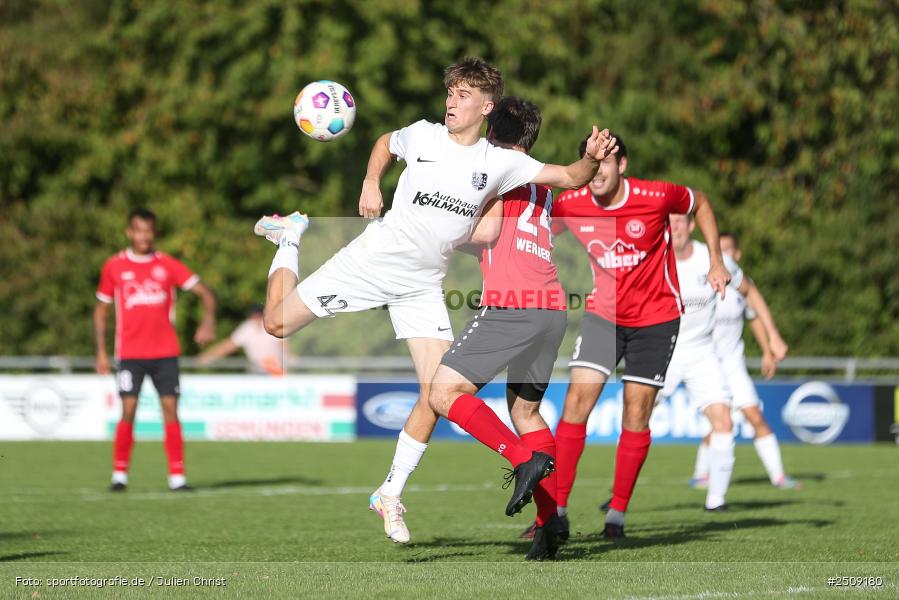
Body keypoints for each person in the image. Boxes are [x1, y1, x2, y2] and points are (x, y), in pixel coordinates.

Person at [253, 57, 616, 534]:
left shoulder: (501, 162)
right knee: (276, 323)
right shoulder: (423, 135)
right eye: (450, 92)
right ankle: (290, 237)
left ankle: (389, 493)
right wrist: (369, 181)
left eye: (463, 95)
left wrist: (591, 157)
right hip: (370, 263)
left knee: (438, 395)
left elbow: (570, 177)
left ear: (486, 106)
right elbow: (384, 143)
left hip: (422, 285)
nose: (451, 102)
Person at [371, 96, 571, 560]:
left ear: (494, 137)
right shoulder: (541, 182)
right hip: (551, 306)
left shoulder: (499, 171)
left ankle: (522, 461)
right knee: (526, 415)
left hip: (513, 304)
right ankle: (549, 523)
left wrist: (423, 228)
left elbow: (484, 233)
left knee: (442, 393)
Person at [542, 135, 730, 540]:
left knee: (635, 414)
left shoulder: (656, 195)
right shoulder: (570, 204)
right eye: (591, 162)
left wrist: (715, 259)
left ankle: (617, 517)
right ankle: (555, 510)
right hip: (601, 317)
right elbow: (538, 233)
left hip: (656, 320)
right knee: (575, 402)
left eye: (606, 161)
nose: (598, 170)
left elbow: (703, 203)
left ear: (622, 165)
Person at [94, 208, 217, 492]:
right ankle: (119, 475)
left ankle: (178, 478)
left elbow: (205, 293)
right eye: (138, 230)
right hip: (129, 354)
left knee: (171, 410)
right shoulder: (114, 267)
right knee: (128, 410)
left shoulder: (168, 265)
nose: (144, 236)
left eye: (149, 230)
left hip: (165, 353)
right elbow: (101, 310)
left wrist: (208, 321)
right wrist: (101, 351)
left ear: (155, 233)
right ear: (129, 232)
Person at [689, 233, 798, 490]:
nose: (721, 254)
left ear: (736, 255)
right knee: (720, 422)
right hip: (705, 364)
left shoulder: (742, 287)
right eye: (718, 249)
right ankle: (701, 475)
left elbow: (754, 316)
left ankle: (779, 477)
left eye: (727, 250)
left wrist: (768, 350)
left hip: (733, 364)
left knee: (754, 416)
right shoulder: (701, 281)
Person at [196, 305, 291, 375]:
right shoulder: (247, 327)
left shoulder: (271, 325)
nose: (256, 319)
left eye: (258, 316)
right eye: (254, 316)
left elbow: (286, 347)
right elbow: (228, 346)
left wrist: (293, 364)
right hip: (257, 371)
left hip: (278, 370)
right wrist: (205, 358)